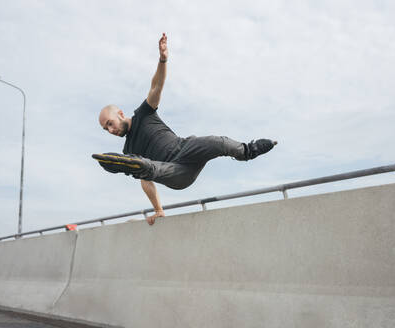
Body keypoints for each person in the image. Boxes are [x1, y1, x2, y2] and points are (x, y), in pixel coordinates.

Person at [93, 33, 277, 225]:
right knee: (148, 168)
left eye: (110, 124)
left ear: (120, 114)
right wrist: (158, 210)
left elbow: (156, 86)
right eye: (106, 129)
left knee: (217, 142)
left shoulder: (144, 113)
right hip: (176, 172)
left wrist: (163, 59)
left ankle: (247, 151)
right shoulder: (128, 151)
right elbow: (146, 183)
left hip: (187, 148)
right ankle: (139, 167)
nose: (110, 130)